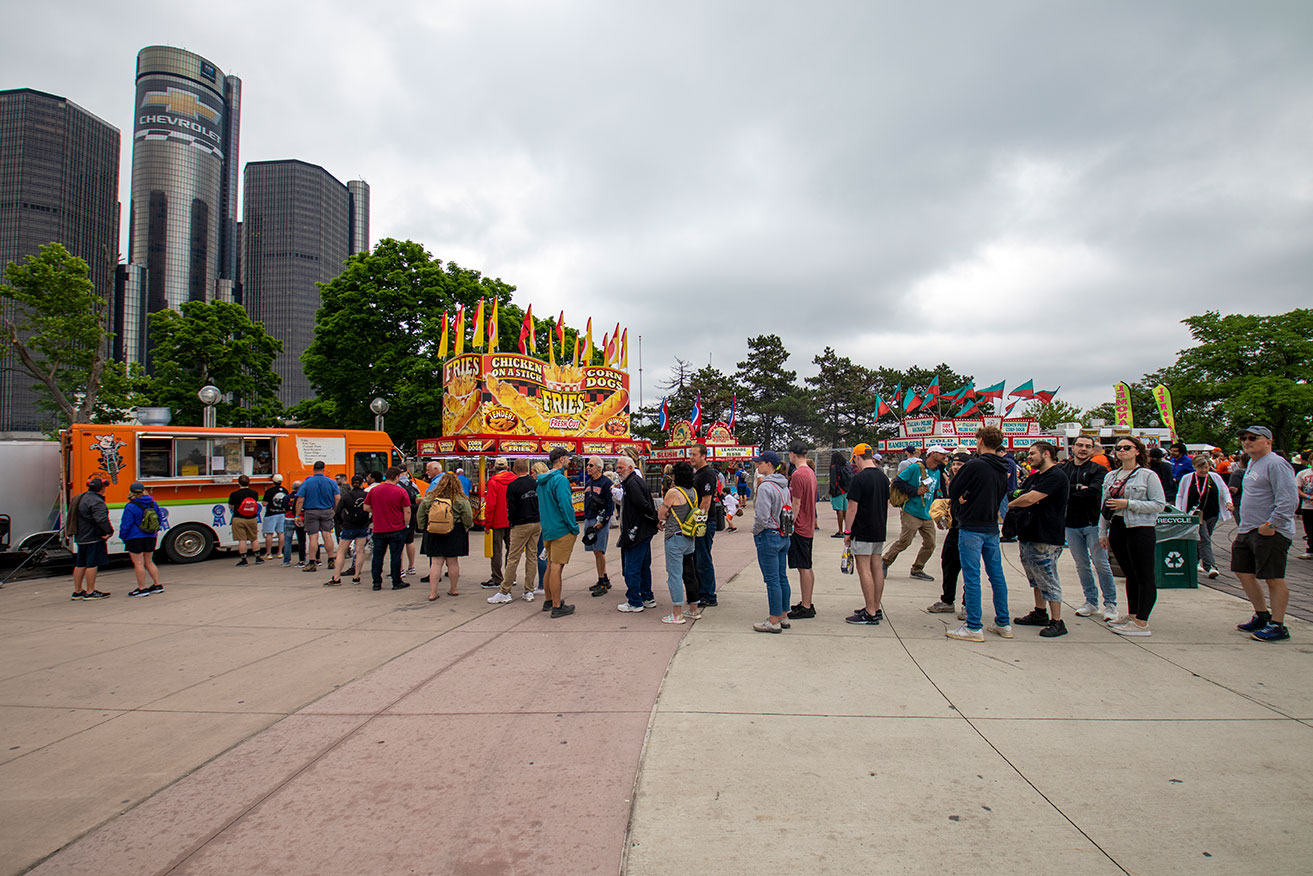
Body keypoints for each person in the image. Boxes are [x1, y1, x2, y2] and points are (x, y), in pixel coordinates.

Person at [1231, 426, 1299, 642]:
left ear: (1268, 441)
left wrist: (1272, 524)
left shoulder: (1277, 464)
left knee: (1273, 577)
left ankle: (1278, 625)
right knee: (1243, 571)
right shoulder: (1252, 462)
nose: (1247, 442)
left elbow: (1289, 498)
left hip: (1270, 531)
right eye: (1244, 438)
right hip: (1248, 528)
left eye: (1253, 438)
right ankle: (1262, 615)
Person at [946, 427, 1012, 642]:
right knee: (996, 575)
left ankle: (974, 625)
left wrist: (965, 496)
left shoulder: (975, 465)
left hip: (972, 524)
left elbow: (953, 491)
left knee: (972, 575)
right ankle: (1003, 621)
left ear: (981, 441)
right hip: (991, 525)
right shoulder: (1003, 466)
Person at [1098, 436, 1167, 637]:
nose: (1122, 451)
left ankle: (1142, 622)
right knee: (1130, 574)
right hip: (1118, 525)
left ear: (1137, 451)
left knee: (1145, 574)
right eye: (1118, 448)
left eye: (1127, 447)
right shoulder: (1111, 476)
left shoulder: (1147, 476)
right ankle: (1133, 613)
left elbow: (1159, 504)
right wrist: (1103, 532)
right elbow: (1104, 506)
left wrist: (1129, 504)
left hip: (1140, 526)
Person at [1007, 442, 1071, 638]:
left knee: (1048, 578)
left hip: (1046, 535)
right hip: (1029, 533)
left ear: (1046, 454)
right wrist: (1021, 498)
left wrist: (1010, 505)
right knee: (1035, 577)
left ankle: (1057, 621)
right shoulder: (1036, 477)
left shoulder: (1055, 476)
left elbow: (1028, 498)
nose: (1029, 457)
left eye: (1032, 453)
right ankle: (1040, 612)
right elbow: (1020, 493)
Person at [1059, 436, 1118, 621]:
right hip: (1071, 524)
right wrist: (1078, 488)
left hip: (1093, 523)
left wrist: (1073, 491)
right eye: (1080, 445)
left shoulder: (1098, 470)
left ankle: (1110, 604)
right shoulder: (1064, 469)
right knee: (1081, 565)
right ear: (1073, 448)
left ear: (1093, 450)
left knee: (1101, 564)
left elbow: (1094, 493)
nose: (1083, 449)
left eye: (1087, 446)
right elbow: (1060, 491)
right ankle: (1091, 601)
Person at [883, 445, 946, 582]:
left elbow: (936, 492)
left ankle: (917, 568)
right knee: (905, 541)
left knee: (930, 544)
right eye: (942, 454)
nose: (944, 457)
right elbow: (898, 482)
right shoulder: (916, 468)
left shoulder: (936, 472)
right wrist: (914, 491)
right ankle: (885, 561)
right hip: (911, 511)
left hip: (926, 513)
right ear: (933, 454)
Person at [842, 443, 889, 626]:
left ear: (857, 457)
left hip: (862, 529)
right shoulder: (883, 478)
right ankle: (875, 607)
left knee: (864, 569)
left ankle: (869, 611)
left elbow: (852, 508)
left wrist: (848, 531)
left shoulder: (859, 479)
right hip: (879, 528)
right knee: (876, 566)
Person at [652, 460, 699, 619]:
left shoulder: (673, 492)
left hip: (674, 537)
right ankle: (694, 609)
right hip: (689, 537)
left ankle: (677, 613)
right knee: (689, 573)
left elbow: (661, 514)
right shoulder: (693, 491)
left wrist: (664, 516)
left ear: (676, 475)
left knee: (674, 576)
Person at [750, 451, 790, 633]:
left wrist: (756, 531)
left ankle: (773, 619)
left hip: (769, 534)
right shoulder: (784, 486)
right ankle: (783, 614)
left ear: (769, 464)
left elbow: (762, 516)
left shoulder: (766, 487)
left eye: (760, 463)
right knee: (781, 577)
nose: (758, 466)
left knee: (772, 579)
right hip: (783, 534)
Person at [1175, 455, 1233, 580]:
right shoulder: (1187, 479)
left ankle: (1194, 562)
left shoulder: (1215, 478)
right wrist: (1180, 511)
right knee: (1204, 539)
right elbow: (1180, 495)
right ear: (1195, 467)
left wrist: (1228, 502)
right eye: (1201, 468)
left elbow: (1224, 491)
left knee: (1202, 538)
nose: (1204, 471)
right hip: (1195, 514)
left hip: (1211, 513)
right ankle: (1211, 566)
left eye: (1206, 467)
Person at [615, 454, 660, 615]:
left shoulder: (632, 483)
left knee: (631, 568)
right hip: (642, 531)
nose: (618, 470)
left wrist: (654, 519)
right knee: (642, 566)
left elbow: (643, 505)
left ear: (630, 468)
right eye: (617, 467)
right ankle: (647, 597)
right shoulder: (632, 482)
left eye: (621, 467)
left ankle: (634, 601)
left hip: (636, 532)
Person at [537, 447, 579, 617]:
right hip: (561, 528)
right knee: (556, 567)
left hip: (547, 527)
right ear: (561, 459)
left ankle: (549, 600)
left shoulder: (542, 480)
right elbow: (565, 505)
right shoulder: (560, 480)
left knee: (550, 565)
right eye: (568, 458)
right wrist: (573, 527)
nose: (569, 461)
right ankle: (556, 605)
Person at [418, 472, 473, 601]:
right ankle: (453, 589)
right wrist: (466, 526)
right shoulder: (460, 499)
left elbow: (421, 514)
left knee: (436, 563)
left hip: (434, 531)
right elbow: (468, 517)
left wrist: (423, 527)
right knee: (452, 562)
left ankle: (433, 592)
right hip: (454, 531)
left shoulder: (430, 498)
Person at [494, 459, 540, 603]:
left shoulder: (513, 486)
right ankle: (529, 590)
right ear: (528, 469)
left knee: (513, 557)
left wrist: (512, 523)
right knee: (532, 557)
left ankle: (505, 590)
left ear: (514, 469)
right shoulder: (535, 483)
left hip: (520, 524)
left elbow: (511, 508)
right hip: (536, 522)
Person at [927, 452, 968, 614]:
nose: (956, 467)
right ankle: (947, 600)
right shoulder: (953, 481)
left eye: (960, 464)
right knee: (949, 563)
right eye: (955, 464)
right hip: (954, 529)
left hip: (969, 530)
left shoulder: (971, 481)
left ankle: (968, 604)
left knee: (968, 567)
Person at [364, 466, 412, 591]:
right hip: (396, 528)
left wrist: (377, 511)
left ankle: (376, 582)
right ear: (396, 477)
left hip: (379, 528)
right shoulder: (400, 491)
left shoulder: (374, 490)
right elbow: (407, 510)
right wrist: (406, 524)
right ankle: (396, 581)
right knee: (396, 556)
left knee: (378, 556)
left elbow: (366, 507)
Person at [785, 441, 819, 620]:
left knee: (803, 566)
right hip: (808, 523)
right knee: (806, 565)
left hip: (800, 526)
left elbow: (796, 502)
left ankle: (806, 606)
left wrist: (790, 524)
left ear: (793, 454)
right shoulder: (810, 473)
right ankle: (807, 601)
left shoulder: (798, 475)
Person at [69, 476, 113, 600]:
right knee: (92, 564)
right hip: (92, 536)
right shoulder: (97, 501)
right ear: (102, 488)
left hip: (80, 536)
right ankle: (90, 591)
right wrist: (109, 531)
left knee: (80, 564)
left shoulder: (81, 497)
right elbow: (101, 519)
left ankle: (77, 591)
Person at [119, 482, 164, 597]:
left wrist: (123, 536)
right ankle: (157, 585)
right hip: (150, 536)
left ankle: (142, 588)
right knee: (149, 561)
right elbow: (159, 518)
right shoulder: (153, 503)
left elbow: (126, 524)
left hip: (134, 537)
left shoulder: (130, 506)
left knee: (139, 563)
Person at [325, 475, 371, 586]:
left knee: (341, 551)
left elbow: (338, 512)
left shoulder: (346, 496)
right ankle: (356, 576)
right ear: (362, 483)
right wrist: (369, 522)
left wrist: (342, 523)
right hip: (362, 526)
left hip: (349, 526)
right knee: (359, 551)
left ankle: (336, 577)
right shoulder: (366, 495)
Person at [689, 444, 719, 607]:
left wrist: (697, 524)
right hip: (700, 522)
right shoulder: (697, 474)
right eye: (690, 454)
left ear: (703, 456)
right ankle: (700, 592)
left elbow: (705, 501)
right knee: (697, 559)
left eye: (694, 454)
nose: (691, 457)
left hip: (705, 523)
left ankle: (708, 595)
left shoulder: (707, 474)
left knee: (703, 559)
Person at [479, 458, 516, 591]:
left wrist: (487, 524)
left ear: (494, 468)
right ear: (507, 467)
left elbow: (490, 505)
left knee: (496, 551)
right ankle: (512, 575)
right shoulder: (514, 479)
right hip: (512, 520)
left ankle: (497, 577)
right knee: (512, 550)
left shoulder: (493, 482)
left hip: (497, 520)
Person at [582, 457, 615, 596]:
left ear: (599, 467)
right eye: (587, 465)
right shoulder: (589, 482)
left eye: (591, 465)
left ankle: (602, 583)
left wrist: (604, 521)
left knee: (599, 551)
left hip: (599, 521)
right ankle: (604, 578)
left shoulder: (606, 483)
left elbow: (610, 504)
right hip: (589, 519)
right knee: (595, 551)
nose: (588, 467)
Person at [297, 461, 339, 572]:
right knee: (327, 535)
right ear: (324, 469)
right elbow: (337, 498)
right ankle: (331, 560)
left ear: (313, 469)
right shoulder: (332, 482)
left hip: (311, 511)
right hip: (327, 511)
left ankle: (312, 562)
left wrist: (297, 515)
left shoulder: (307, 482)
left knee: (313, 537)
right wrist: (335, 510)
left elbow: (300, 500)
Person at [228, 475, 262, 566]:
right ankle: (258, 558)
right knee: (254, 538)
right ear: (249, 482)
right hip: (252, 518)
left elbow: (231, 506)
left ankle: (244, 559)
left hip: (238, 518)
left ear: (238, 483)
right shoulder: (254, 493)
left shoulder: (234, 494)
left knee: (242, 540)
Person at [399, 469, 422, 578]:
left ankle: (400, 569)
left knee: (399, 543)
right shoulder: (413, 485)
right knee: (410, 541)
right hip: (412, 514)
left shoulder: (397, 486)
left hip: (400, 515)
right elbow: (418, 498)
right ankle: (411, 567)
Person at [260, 474, 288, 561]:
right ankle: (280, 553)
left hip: (271, 514)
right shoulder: (285, 490)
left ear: (273, 481)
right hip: (282, 514)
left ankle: (268, 553)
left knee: (269, 534)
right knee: (281, 533)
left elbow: (264, 503)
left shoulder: (269, 491)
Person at [828, 451, 852, 538]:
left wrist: (832, 491)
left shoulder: (834, 467)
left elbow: (833, 480)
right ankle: (848, 530)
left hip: (838, 491)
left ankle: (840, 530)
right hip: (846, 491)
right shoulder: (846, 466)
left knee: (839, 511)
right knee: (845, 511)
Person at [282, 479, 304, 567]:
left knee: (287, 541)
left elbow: (283, 508)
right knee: (301, 540)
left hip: (288, 519)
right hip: (299, 519)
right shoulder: (301, 497)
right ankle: (302, 559)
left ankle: (286, 561)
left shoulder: (286, 497)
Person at [1297, 455, 1313, 560]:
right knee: (1309, 529)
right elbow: (1297, 488)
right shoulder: (1303, 474)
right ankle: (1310, 550)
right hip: (1307, 505)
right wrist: (1307, 496)